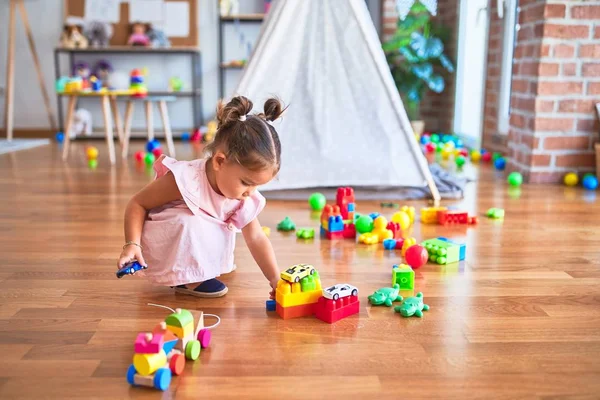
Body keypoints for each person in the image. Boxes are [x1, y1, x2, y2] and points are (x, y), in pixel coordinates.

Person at [117, 96, 284, 298]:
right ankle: (189, 279)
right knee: (189, 221)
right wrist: (132, 244)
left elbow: (256, 237)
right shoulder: (186, 180)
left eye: (257, 185)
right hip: (167, 245)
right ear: (220, 162)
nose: (250, 192)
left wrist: (275, 280)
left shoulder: (243, 195)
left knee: (215, 224)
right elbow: (138, 203)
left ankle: (206, 265)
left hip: (198, 239)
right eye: (247, 183)